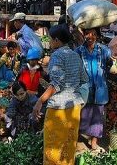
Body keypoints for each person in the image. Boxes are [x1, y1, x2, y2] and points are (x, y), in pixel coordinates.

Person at [32, 25, 89, 165]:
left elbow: (57, 84)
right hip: (74, 107)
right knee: (68, 147)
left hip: (58, 109)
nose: (50, 43)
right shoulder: (75, 55)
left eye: (50, 40)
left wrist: (39, 102)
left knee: (53, 149)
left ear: (57, 41)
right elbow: (84, 79)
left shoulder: (57, 55)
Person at [75, 27, 111, 153]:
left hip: (100, 89)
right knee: (83, 115)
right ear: (83, 35)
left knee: (97, 116)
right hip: (84, 89)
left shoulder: (104, 50)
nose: (90, 37)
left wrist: (113, 63)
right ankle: (80, 139)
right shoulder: (78, 51)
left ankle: (94, 141)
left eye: (93, 34)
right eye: (87, 34)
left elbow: (111, 66)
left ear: (97, 35)